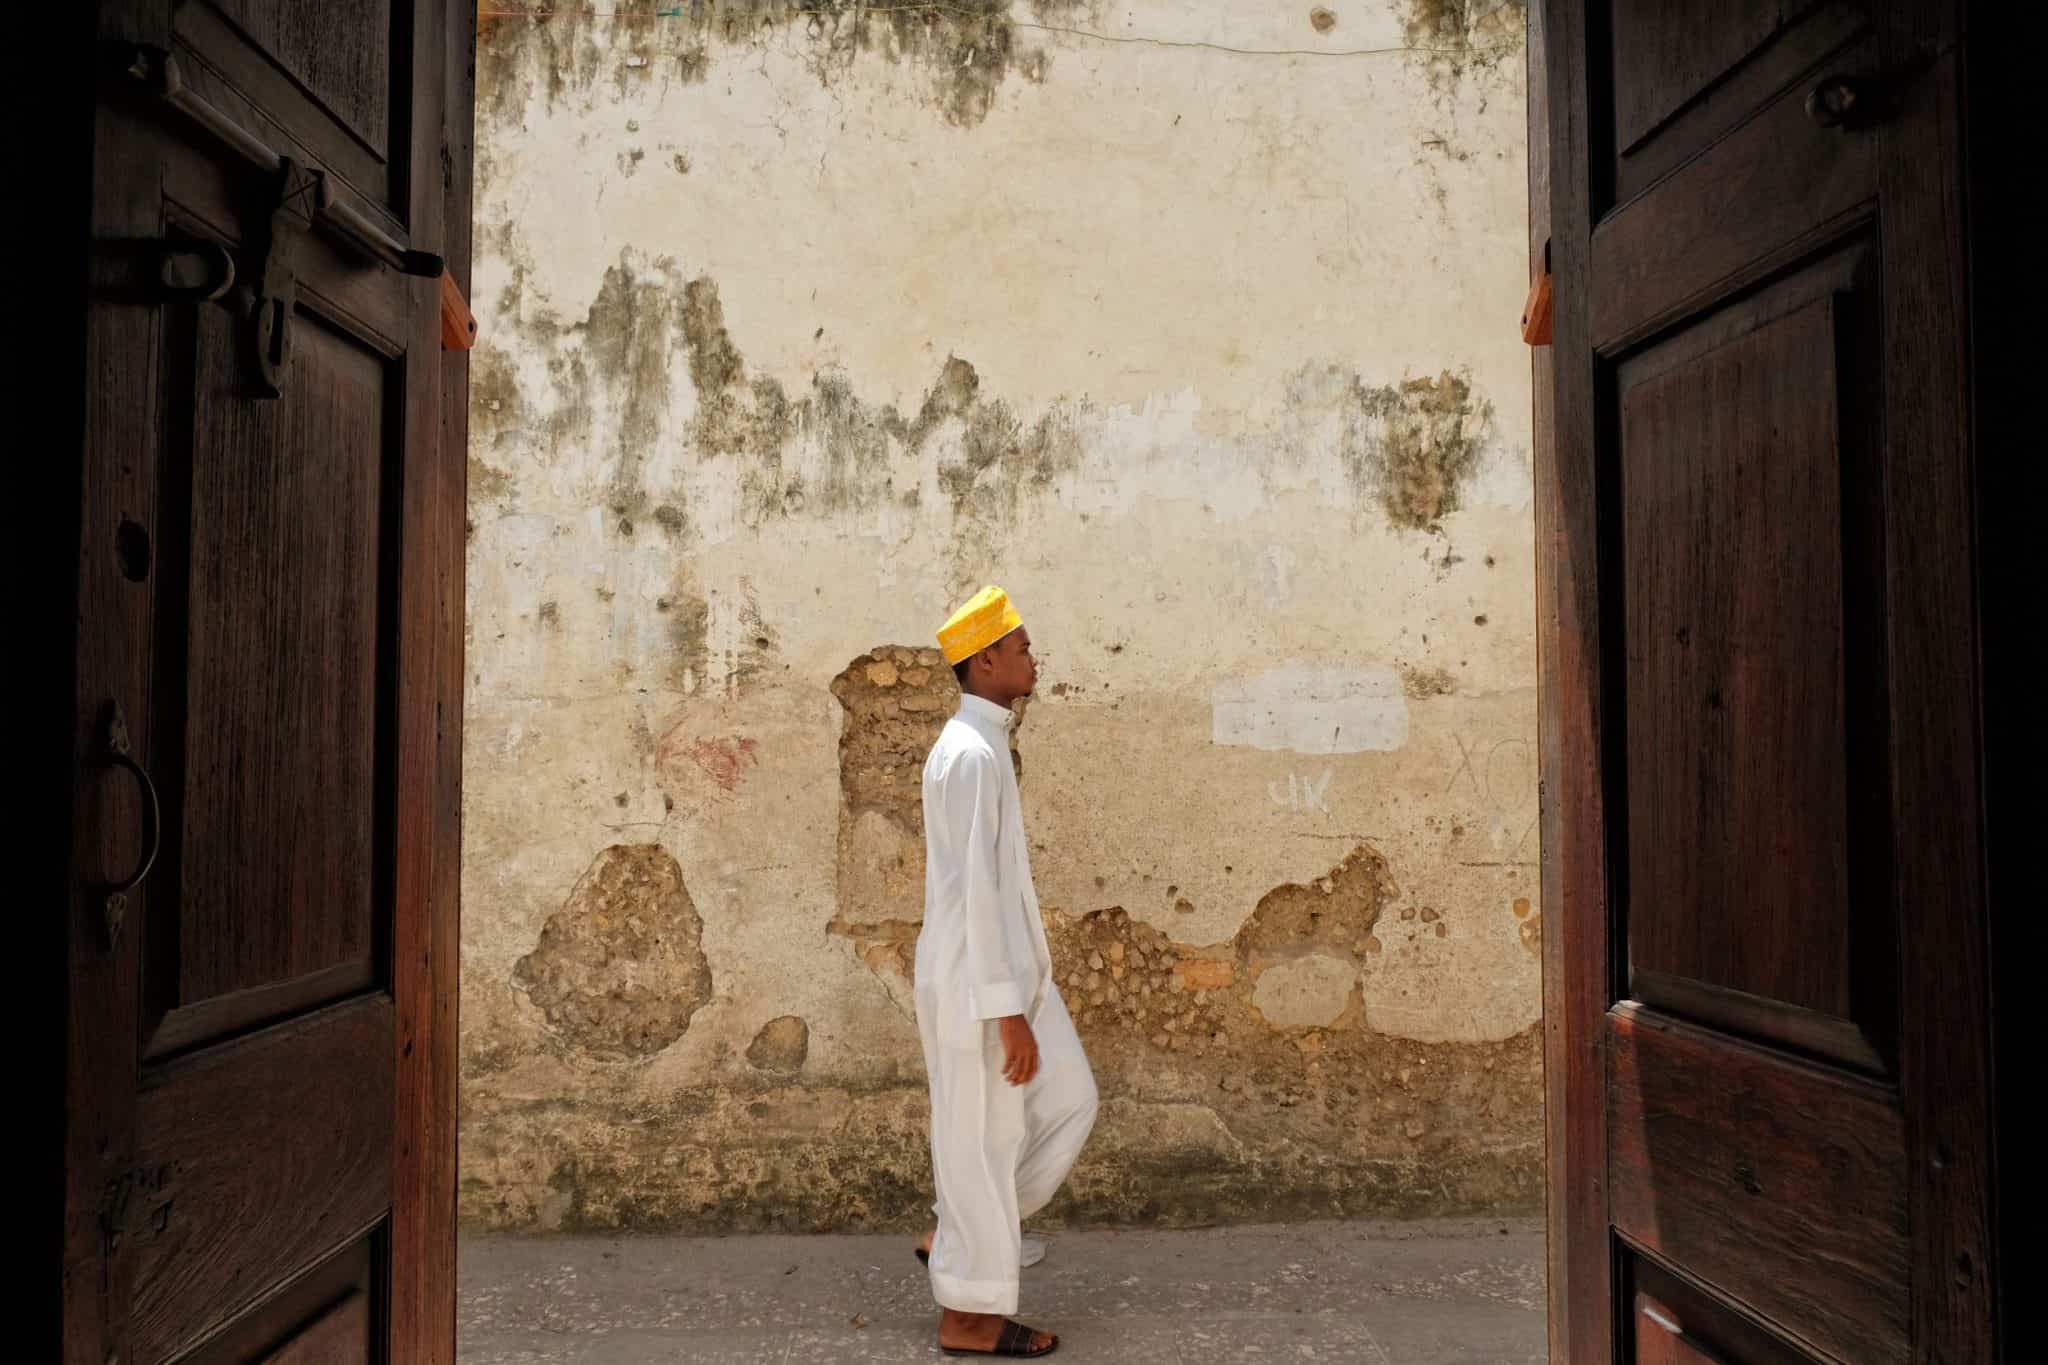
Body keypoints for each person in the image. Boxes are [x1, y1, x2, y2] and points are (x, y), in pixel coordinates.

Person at [912, 585, 1098, 1359]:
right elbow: (975, 897)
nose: (1032, 657)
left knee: (1070, 1100)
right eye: (1020, 647)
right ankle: (970, 1318)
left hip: (1014, 978)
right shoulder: (966, 755)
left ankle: (959, 1237)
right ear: (985, 660)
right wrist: (1005, 1009)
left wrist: (1025, 992)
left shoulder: (984, 746)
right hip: (977, 986)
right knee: (982, 1141)